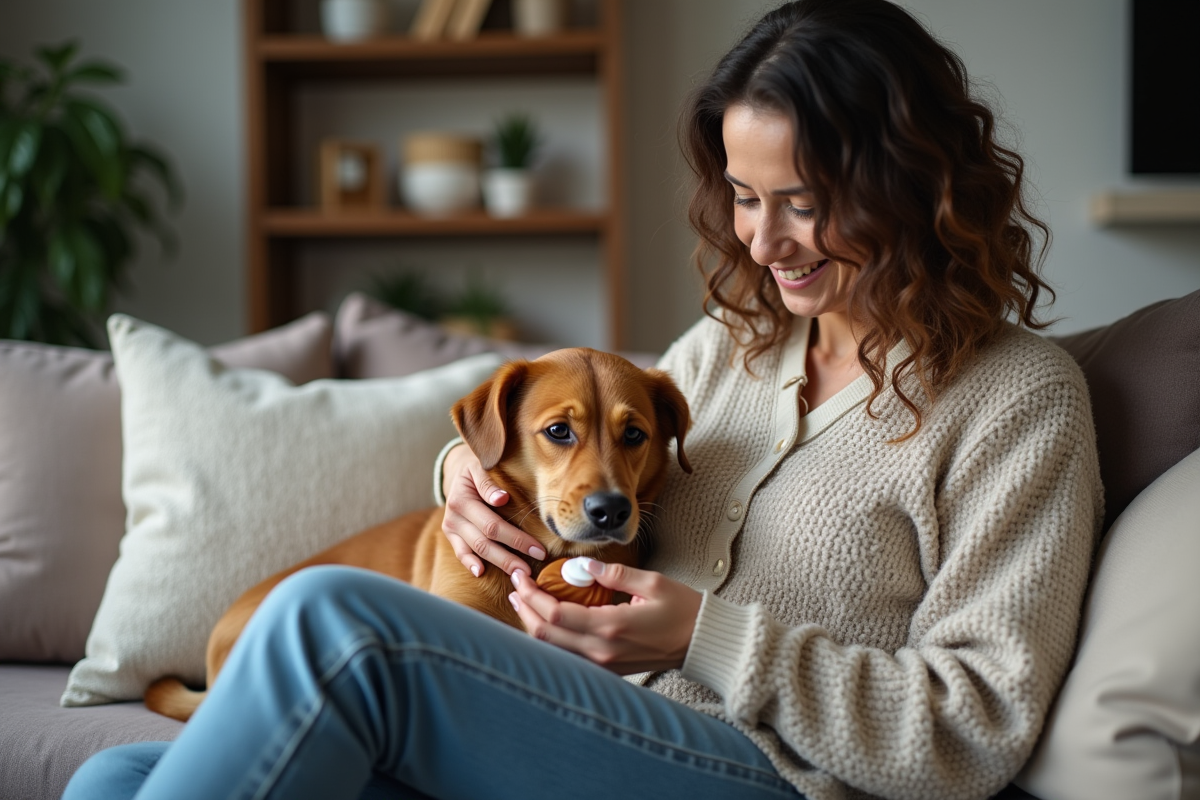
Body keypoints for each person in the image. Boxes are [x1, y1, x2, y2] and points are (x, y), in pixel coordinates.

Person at [63, 1, 1103, 798]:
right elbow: (568, 429)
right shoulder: (733, 350)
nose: (763, 241)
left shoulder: (1018, 402)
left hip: (774, 777)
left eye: (805, 203)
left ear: (914, 182)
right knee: (114, 780)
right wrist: (463, 476)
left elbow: (978, 725)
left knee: (331, 616)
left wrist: (706, 636)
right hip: (589, 726)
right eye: (744, 197)